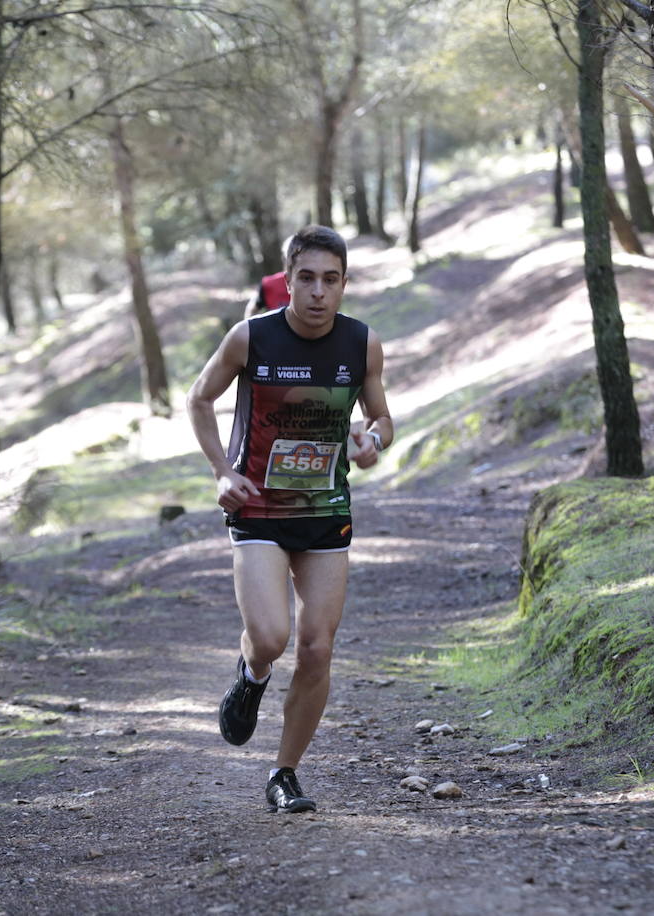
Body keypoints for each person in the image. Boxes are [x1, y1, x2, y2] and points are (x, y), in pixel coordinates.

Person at [187, 225, 394, 813]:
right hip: (258, 509)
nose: (318, 292)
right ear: (288, 280)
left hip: (325, 512)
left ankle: (285, 774)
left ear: (344, 284)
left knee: (318, 648)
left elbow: (382, 418)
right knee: (271, 638)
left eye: (331, 280)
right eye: (307, 278)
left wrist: (373, 441)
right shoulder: (250, 338)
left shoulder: (361, 343)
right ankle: (252, 674)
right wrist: (221, 472)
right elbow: (199, 399)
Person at [243, 236, 294, 318]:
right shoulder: (268, 284)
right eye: (291, 257)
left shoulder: (314, 285)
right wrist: (253, 326)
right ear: (284, 258)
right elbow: (251, 309)